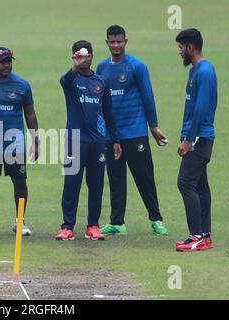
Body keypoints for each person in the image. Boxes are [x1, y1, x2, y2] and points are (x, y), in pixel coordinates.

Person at [96, 25, 169, 236]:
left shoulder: (137, 66)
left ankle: (156, 219)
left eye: (119, 41)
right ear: (107, 42)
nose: (116, 45)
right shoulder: (102, 68)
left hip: (135, 132)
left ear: (125, 42)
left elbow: (148, 97)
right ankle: (117, 223)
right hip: (111, 135)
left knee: (144, 177)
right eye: (112, 41)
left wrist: (153, 127)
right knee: (116, 179)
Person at [56, 40, 121, 241]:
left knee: (96, 184)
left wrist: (115, 139)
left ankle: (93, 225)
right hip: (75, 140)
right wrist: (75, 66)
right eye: (78, 55)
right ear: (74, 57)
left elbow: (109, 112)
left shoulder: (101, 83)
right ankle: (67, 227)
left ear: (92, 56)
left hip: (97, 141)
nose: (83, 58)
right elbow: (64, 80)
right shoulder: (71, 80)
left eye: (86, 55)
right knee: (72, 183)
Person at [0, 47, 40, 237]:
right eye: (2, 62)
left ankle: (20, 221)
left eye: (9, 61)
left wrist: (36, 140)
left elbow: (30, 114)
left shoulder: (22, 85)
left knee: (20, 181)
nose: (7, 65)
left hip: (15, 143)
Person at [175, 28, 217, 252]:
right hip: (196, 136)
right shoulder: (195, 71)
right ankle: (205, 236)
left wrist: (189, 139)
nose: (180, 51)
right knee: (200, 186)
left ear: (190, 47)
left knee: (185, 182)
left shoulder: (205, 72)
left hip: (200, 138)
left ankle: (196, 235)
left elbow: (201, 109)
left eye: (181, 47)